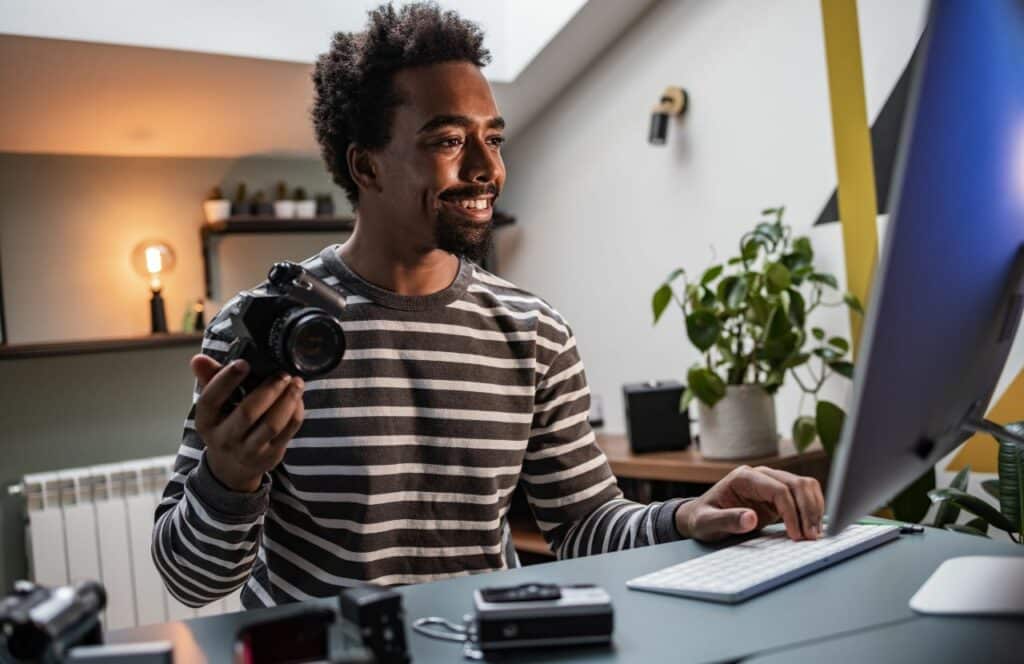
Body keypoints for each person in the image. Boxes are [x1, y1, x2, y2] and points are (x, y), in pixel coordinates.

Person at [152, 2, 825, 609]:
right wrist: (229, 478)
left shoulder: (534, 333)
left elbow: (586, 526)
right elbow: (190, 580)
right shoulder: (269, 330)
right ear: (366, 167)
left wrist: (688, 515)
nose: (487, 168)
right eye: (448, 140)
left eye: (493, 138)